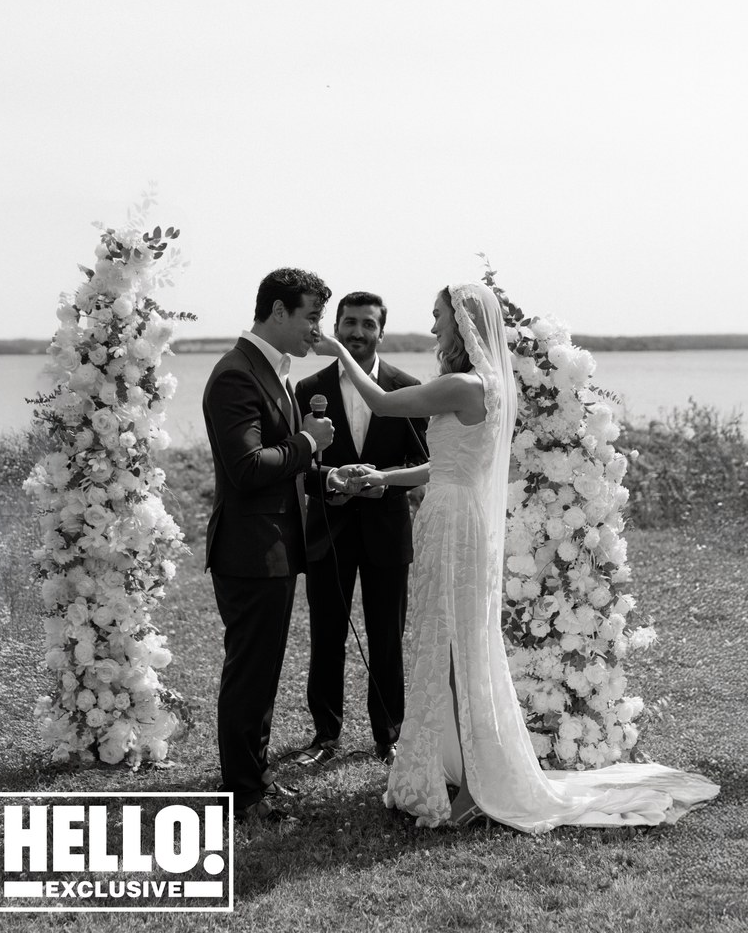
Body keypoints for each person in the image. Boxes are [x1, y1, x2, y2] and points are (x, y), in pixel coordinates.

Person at [313, 281, 719, 831]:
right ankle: (462, 767)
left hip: (455, 522)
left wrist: (339, 351)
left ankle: (477, 785)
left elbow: (382, 403)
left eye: (438, 317)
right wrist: (384, 478)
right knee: (452, 643)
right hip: (452, 512)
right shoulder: (490, 385)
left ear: (462, 323)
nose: (433, 328)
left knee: (458, 649)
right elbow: (446, 464)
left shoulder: (462, 383)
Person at [203, 267, 363, 824]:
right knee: (250, 673)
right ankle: (242, 794)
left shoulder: (274, 372)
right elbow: (248, 469)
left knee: (265, 670)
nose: (316, 331)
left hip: (275, 547)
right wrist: (307, 441)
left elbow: (288, 469)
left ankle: (257, 777)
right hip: (249, 550)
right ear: (277, 312)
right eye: (311, 317)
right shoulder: (235, 376)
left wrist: (329, 478)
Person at [293, 291, 428, 767]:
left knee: (387, 636)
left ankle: (388, 735)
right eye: (349, 323)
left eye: (367, 325)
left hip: (387, 530)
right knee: (326, 635)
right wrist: (329, 480)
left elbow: (425, 461)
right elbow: (296, 464)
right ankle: (324, 737)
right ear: (338, 326)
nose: (357, 332)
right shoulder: (306, 387)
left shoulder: (407, 386)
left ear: (381, 331)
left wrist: (384, 486)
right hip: (327, 527)